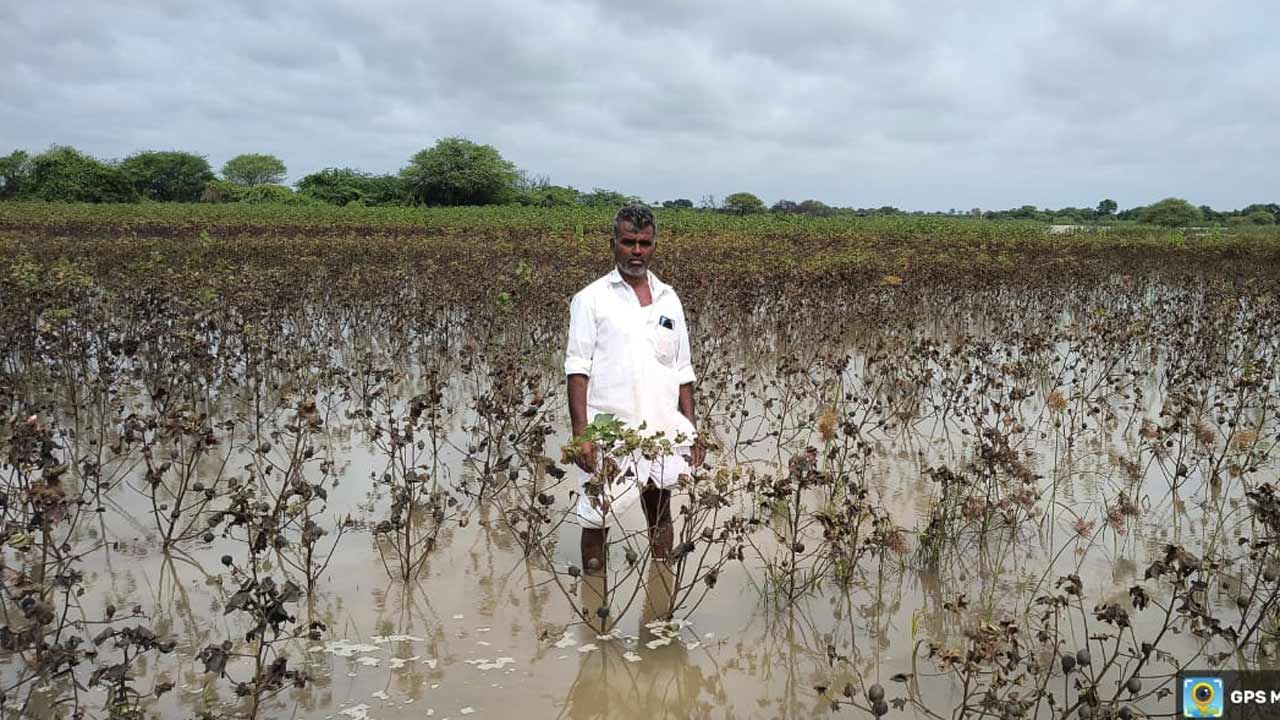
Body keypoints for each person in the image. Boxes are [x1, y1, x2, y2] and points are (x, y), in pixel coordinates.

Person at [564, 204, 706, 569]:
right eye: (629, 242)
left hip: (661, 429)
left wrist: (691, 430)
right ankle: (594, 605)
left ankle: (661, 595)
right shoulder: (591, 299)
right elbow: (577, 370)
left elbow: (683, 369)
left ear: (655, 245)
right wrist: (582, 435)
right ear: (613, 243)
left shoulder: (669, 299)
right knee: (596, 518)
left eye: (645, 243)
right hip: (609, 431)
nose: (637, 251)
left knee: (661, 513)